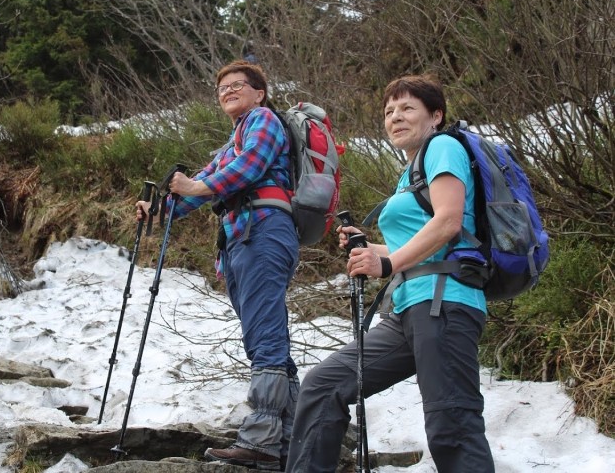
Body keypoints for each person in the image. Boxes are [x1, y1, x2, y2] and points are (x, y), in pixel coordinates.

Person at [285, 75, 495, 472]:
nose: (395, 117)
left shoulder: (443, 147)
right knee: (323, 385)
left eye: (407, 108)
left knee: (452, 426)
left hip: (445, 303)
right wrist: (372, 249)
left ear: (436, 115)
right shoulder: (411, 170)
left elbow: (449, 222)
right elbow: (414, 244)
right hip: (408, 311)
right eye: (389, 111)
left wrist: (385, 263)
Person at [136, 60, 300, 471]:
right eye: (222, 87)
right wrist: (157, 209)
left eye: (237, 85)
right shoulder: (231, 145)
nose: (227, 91)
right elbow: (196, 190)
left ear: (259, 93)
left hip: (263, 231)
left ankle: (262, 442)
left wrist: (199, 186)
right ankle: (297, 435)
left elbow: (251, 167)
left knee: (264, 336)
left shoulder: (262, 120)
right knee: (265, 335)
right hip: (244, 239)